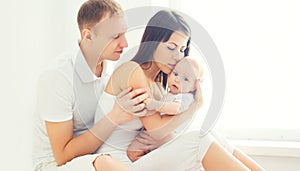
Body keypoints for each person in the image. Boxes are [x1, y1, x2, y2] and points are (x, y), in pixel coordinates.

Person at [94, 10, 265, 171]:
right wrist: (195, 106)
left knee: (210, 134)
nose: (177, 56)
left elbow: (164, 134)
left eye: (182, 50)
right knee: (199, 139)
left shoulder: (160, 84)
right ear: (152, 42)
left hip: (139, 158)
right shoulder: (133, 71)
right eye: (171, 47)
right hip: (119, 162)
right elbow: (158, 131)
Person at [32, 0, 152, 171]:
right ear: (88, 36)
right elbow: (63, 156)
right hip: (55, 165)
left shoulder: (110, 68)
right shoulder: (58, 76)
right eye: (115, 36)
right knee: (105, 163)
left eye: (124, 33)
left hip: (99, 153)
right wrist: (115, 116)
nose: (125, 44)